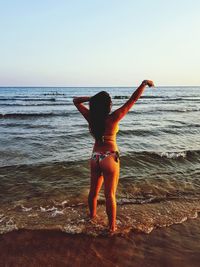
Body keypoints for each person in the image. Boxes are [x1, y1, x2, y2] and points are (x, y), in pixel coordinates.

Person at [73, 80, 154, 232]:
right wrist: (144, 84)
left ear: (96, 105)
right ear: (108, 105)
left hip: (95, 157)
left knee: (93, 192)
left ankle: (92, 217)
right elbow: (133, 100)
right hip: (110, 157)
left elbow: (75, 101)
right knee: (110, 195)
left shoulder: (91, 117)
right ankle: (112, 228)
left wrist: (92, 99)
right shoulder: (114, 117)